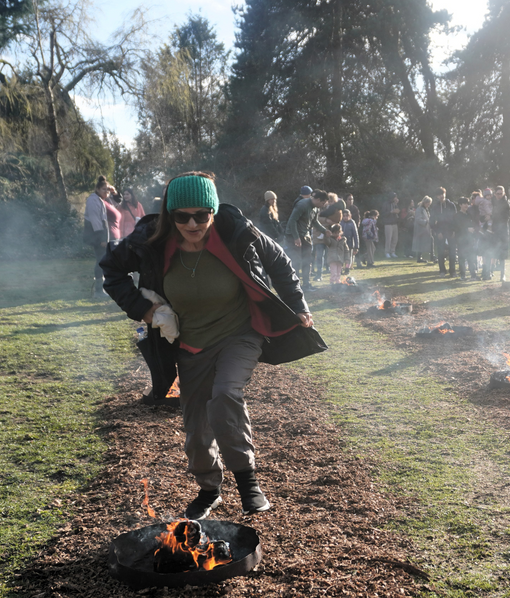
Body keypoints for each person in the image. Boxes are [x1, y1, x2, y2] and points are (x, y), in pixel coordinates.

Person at [100, 171, 327, 518]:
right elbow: (111, 271)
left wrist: (298, 305)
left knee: (224, 395)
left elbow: (279, 261)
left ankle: (248, 483)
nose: (192, 223)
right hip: (190, 345)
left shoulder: (237, 232)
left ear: (213, 211)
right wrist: (146, 310)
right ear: (170, 216)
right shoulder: (151, 241)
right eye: (182, 216)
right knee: (196, 428)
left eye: (201, 215)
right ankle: (210, 490)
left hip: (239, 333)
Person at [285, 188, 330, 290]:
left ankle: (306, 284)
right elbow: (292, 221)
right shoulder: (302, 205)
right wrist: (296, 237)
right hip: (293, 235)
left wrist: (324, 230)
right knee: (296, 261)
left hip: (305, 235)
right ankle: (295, 286)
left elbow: (314, 222)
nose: (323, 205)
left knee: (307, 260)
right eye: (323, 203)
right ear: (318, 199)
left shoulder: (316, 208)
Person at [83, 176, 111, 299]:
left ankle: (101, 289)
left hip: (101, 235)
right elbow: (96, 221)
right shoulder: (93, 200)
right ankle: (98, 291)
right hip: (97, 236)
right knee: (100, 261)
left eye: (107, 190)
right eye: (104, 189)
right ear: (98, 189)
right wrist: (102, 239)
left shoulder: (99, 200)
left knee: (102, 260)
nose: (106, 192)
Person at [484, 185, 510, 282]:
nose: (499, 195)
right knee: (491, 252)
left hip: (502, 231)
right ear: (494, 194)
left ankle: (502, 275)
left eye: (501, 193)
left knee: (502, 254)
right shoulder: (492, 202)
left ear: (504, 193)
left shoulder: (506, 203)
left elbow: (506, 217)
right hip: (492, 231)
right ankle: (488, 273)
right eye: (497, 194)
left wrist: (493, 216)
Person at [430, 187, 457, 278]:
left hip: (450, 231)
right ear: (437, 196)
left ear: (445, 194)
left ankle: (452, 271)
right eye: (439, 195)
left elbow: (455, 219)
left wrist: (454, 230)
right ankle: (442, 270)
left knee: (452, 252)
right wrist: (437, 232)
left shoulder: (451, 205)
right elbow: (432, 221)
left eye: (442, 194)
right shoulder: (435, 207)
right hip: (440, 232)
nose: (441, 196)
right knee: (440, 252)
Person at [454, 197, 478, 281]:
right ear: (460, 205)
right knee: (462, 258)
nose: (466, 205)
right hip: (461, 240)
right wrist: (466, 229)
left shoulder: (469, 214)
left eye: (467, 203)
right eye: (464, 204)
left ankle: (473, 275)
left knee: (471, 257)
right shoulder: (457, 215)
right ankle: (463, 275)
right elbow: (456, 228)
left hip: (470, 239)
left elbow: (473, 225)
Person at [412, 197, 433, 263]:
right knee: (420, 243)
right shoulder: (419, 209)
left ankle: (432, 255)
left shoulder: (426, 209)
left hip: (425, 229)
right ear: (424, 202)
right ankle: (420, 258)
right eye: (428, 203)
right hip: (420, 229)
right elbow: (418, 219)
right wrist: (426, 222)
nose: (428, 205)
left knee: (430, 240)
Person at [381, 192, 400, 258]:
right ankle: (387, 252)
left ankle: (393, 252)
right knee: (388, 239)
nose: (396, 198)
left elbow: (397, 211)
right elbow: (383, 214)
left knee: (395, 238)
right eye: (395, 197)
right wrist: (391, 212)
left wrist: (396, 205)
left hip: (394, 223)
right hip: (388, 223)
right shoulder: (385, 204)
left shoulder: (395, 204)